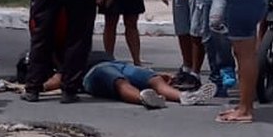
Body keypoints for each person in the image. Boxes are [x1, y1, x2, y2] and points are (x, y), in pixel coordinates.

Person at [40, 52, 217, 109]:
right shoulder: (66, 63)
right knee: (119, 82)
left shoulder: (79, 49)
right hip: (94, 73)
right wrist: (37, 86)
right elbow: (57, 80)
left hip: (118, 64)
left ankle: (184, 97)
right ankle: (143, 98)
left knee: (153, 78)